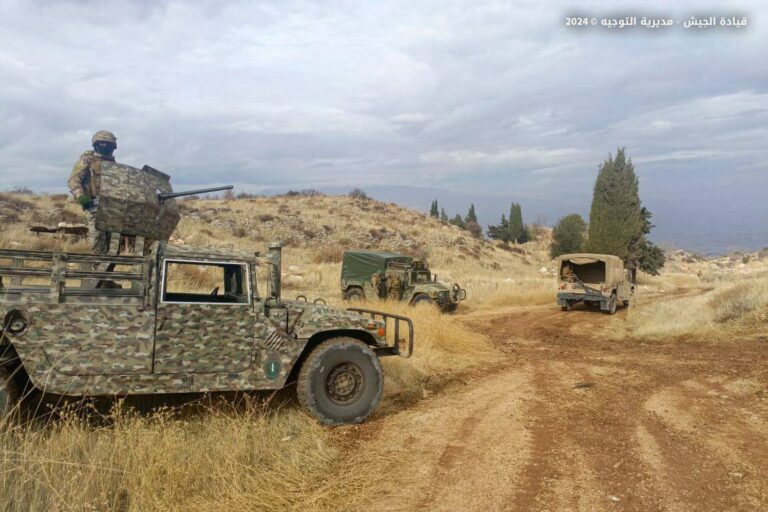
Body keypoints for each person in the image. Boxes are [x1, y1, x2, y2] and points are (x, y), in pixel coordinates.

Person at [67, 130, 118, 254]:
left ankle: (106, 271)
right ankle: (96, 269)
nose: (105, 146)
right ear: (96, 144)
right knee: (98, 240)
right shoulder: (87, 160)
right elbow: (73, 180)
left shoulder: (114, 164)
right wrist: (81, 197)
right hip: (94, 205)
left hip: (113, 207)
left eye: (108, 144)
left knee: (113, 244)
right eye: (102, 143)